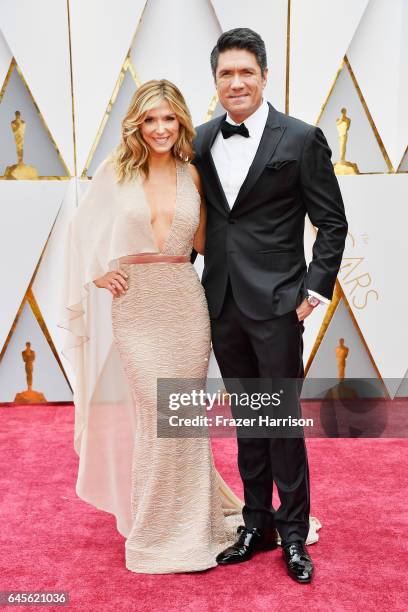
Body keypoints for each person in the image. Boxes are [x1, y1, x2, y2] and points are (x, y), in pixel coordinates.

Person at [58, 79, 244, 574]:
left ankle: (191, 525)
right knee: (156, 415)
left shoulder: (192, 174)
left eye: (168, 119)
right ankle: (156, 530)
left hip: (184, 302)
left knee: (180, 417)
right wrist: (98, 271)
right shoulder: (114, 172)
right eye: (150, 119)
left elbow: (206, 242)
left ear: (180, 122)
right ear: (137, 125)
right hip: (137, 307)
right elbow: (79, 229)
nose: (160, 128)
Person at [192, 28, 348, 583]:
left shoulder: (302, 139)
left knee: (280, 422)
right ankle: (255, 522)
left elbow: (331, 223)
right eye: (226, 74)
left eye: (246, 72)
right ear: (215, 82)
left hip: (280, 304)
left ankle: (293, 533)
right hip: (222, 302)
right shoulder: (201, 139)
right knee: (247, 419)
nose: (236, 82)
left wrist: (312, 291)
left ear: (263, 76)